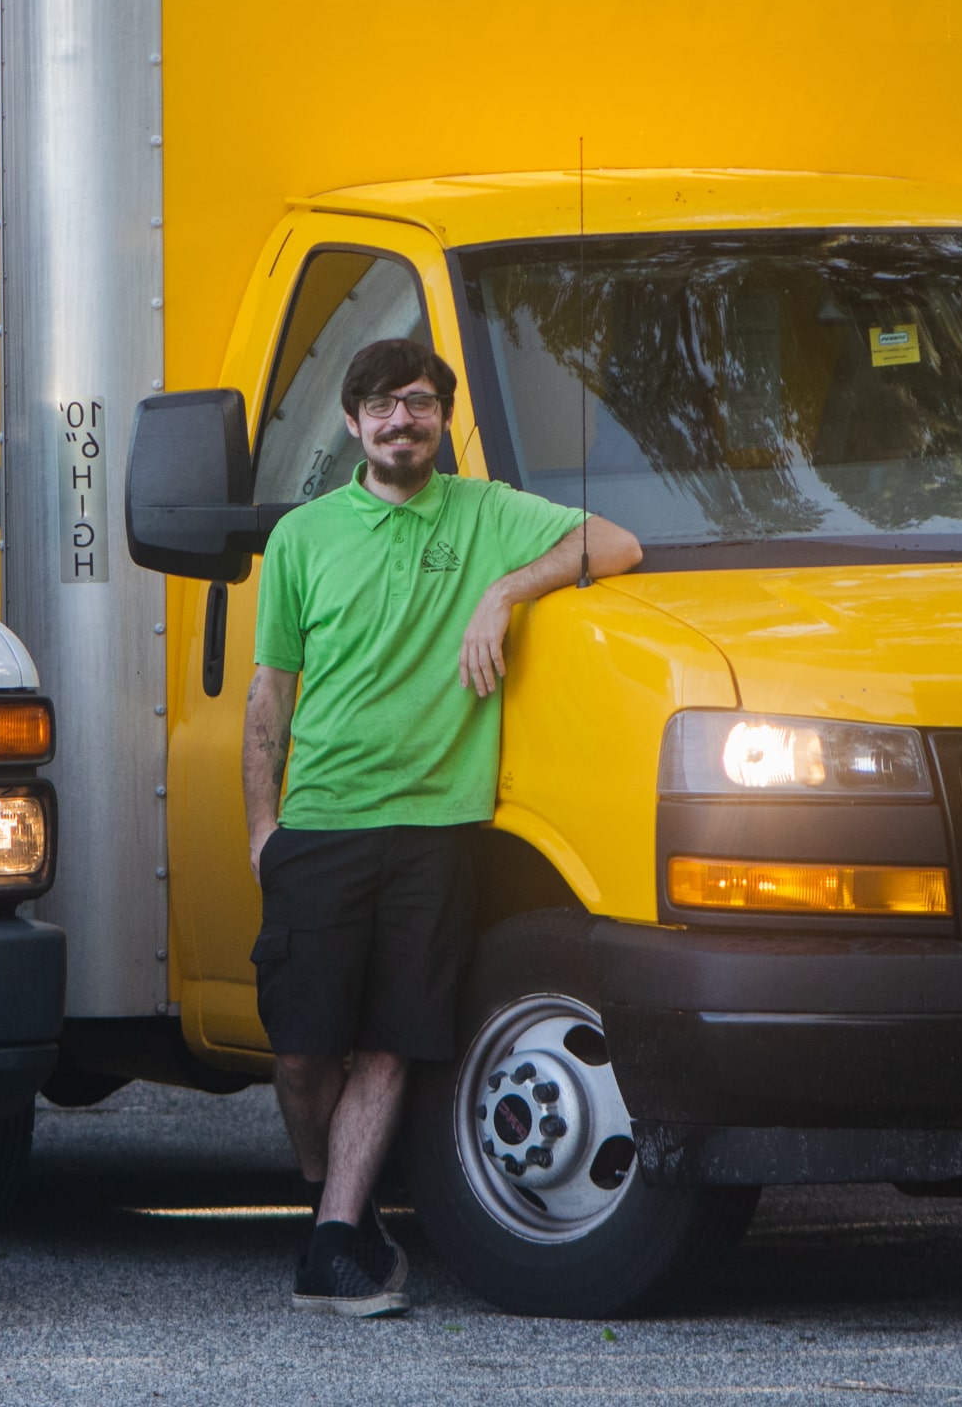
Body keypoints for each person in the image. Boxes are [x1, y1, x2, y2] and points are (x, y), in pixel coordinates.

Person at [241, 336, 641, 1316]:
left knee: (388, 1042)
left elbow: (616, 542)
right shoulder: (303, 538)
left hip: (435, 829)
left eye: (417, 403)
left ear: (442, 418)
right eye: (379, 406)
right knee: (302, 1054)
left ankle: (336, 1238)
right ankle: (327, 1202)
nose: (399, 421)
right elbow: (268, 697)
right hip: (321, 823)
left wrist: (506, 591)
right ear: (352, 425)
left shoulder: (487, 514)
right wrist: (263, 829)